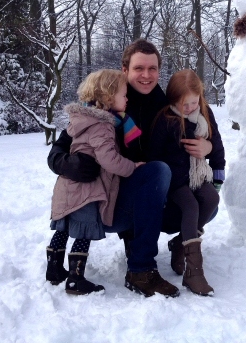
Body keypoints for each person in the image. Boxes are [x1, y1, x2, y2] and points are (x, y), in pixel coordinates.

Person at [47, 39, 215, 298]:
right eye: (139, 68)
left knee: (206, 198)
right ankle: (141, 267)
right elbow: (57, 153)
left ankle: (178, 245)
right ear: (125, 69)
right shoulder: (106, 104)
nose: (146, 75)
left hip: (165, 201)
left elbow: (205, 120)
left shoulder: (169, 104)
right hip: (112, 203)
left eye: (152, 69)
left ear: (159, 71)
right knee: (157, 170)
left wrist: (208, 147)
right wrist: (73, 165)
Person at [46, 70, 144, 295]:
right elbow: (109, 160)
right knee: (83, 232)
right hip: (87, 190)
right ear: (109, 97)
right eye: (123, 95)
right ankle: (75, 279)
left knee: (63, 228)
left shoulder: (81, 119)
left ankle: (53, 269)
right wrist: (132, 167)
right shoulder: (102, 125)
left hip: (67, 187)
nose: (127, 99)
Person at [149, 69, 225, 296]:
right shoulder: (165, 120)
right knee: (190, 206)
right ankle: (194, 273)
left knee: (212, 198)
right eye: (184, 104)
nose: (190, 108)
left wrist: (217, 177)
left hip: (197, 175)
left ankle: (180, 243)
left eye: (194, 102)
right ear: (173, 100)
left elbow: (217, 145)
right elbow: (154, 154)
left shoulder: (205, 113)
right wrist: (160, 189)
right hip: (174, 181)